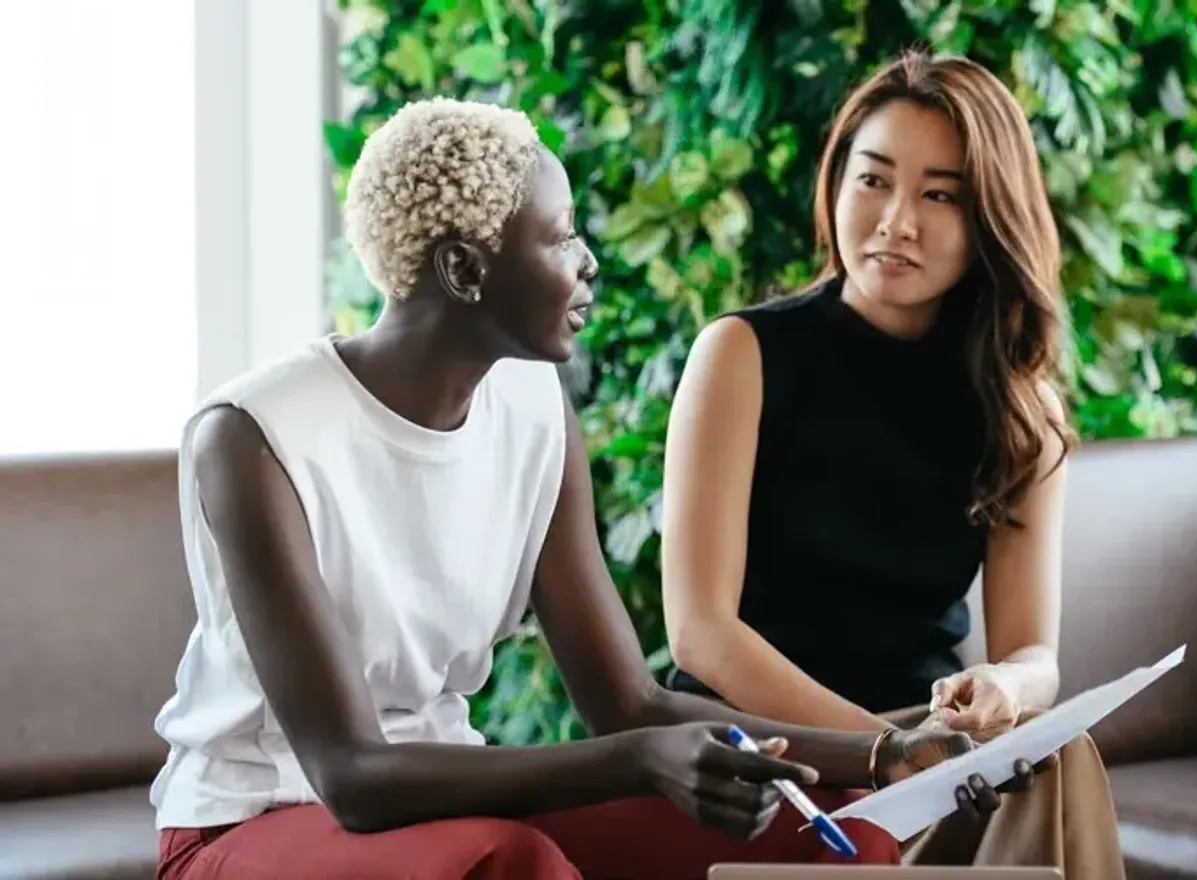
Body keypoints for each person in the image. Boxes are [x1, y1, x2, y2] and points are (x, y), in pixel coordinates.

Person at [148, 95, 1046, 880]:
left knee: (818, 838)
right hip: (253, 824)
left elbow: (630, 701)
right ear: (464, 270)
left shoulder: (535, 407)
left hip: (435, 811)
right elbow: (353, 775)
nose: (588, 263)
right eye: (561, 236)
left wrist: (883, 756)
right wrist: (638, 763)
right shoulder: (255, 439)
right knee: (513, 863)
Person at [660, 49, 1128, 876]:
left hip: (926, 747)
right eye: (872, 180)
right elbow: (702, 635)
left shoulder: (1020, 410)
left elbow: (1033, 657)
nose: (895, 220)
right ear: (837, 183)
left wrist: (1002, 691)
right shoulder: (743, 354)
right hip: (768, 748)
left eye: (939, 195)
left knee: (1056, 755)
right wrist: (888, 750)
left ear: (990, 218)